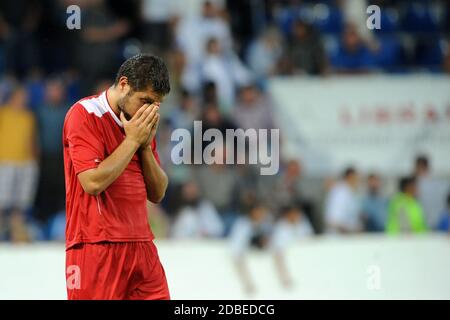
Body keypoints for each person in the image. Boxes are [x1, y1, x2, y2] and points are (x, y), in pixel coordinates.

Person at [63, 54, 170, 300]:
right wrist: (132, 140)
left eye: (156, 104)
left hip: (143, 246)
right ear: (124, 84)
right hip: (96, 246)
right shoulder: (84, 114)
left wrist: (143, 147)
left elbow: (158, 192)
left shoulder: (139, 121)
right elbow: (92, 182)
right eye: (145, 100)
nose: (149, 110)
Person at [0, 86, 38, 242]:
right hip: (5, 161)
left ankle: (17, 234)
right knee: (2, 201)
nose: (24, 99)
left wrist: (34, 160)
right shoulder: (3, 113)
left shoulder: (29, 116)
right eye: (21, 96)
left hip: (26, 163)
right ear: (13, 97)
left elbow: (31, 139)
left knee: (20, 202)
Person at [229, 203, 272, 294]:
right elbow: (237, 247)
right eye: (258, 212)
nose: (261, 215)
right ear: (252, 212)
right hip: (241, 258)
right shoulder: (242, 224)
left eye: (262, 212)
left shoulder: (264, 225)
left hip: (259, 263)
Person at [270, 205, 313, 289]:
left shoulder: (303, 223)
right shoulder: (281, 227)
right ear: (288, 215)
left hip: (303, 257)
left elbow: (309, 238)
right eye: (293, 214)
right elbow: (277, 247)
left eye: (298, 214)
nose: (296, 216)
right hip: (287, 257)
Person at [325, 167, 363, 234]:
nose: (358, 181)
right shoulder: (340, 193)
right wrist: (351, 230)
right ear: (350, 177)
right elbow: (333, 221)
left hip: (348, 238)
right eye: (357, 178)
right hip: (338, 240)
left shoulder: (352, 193)